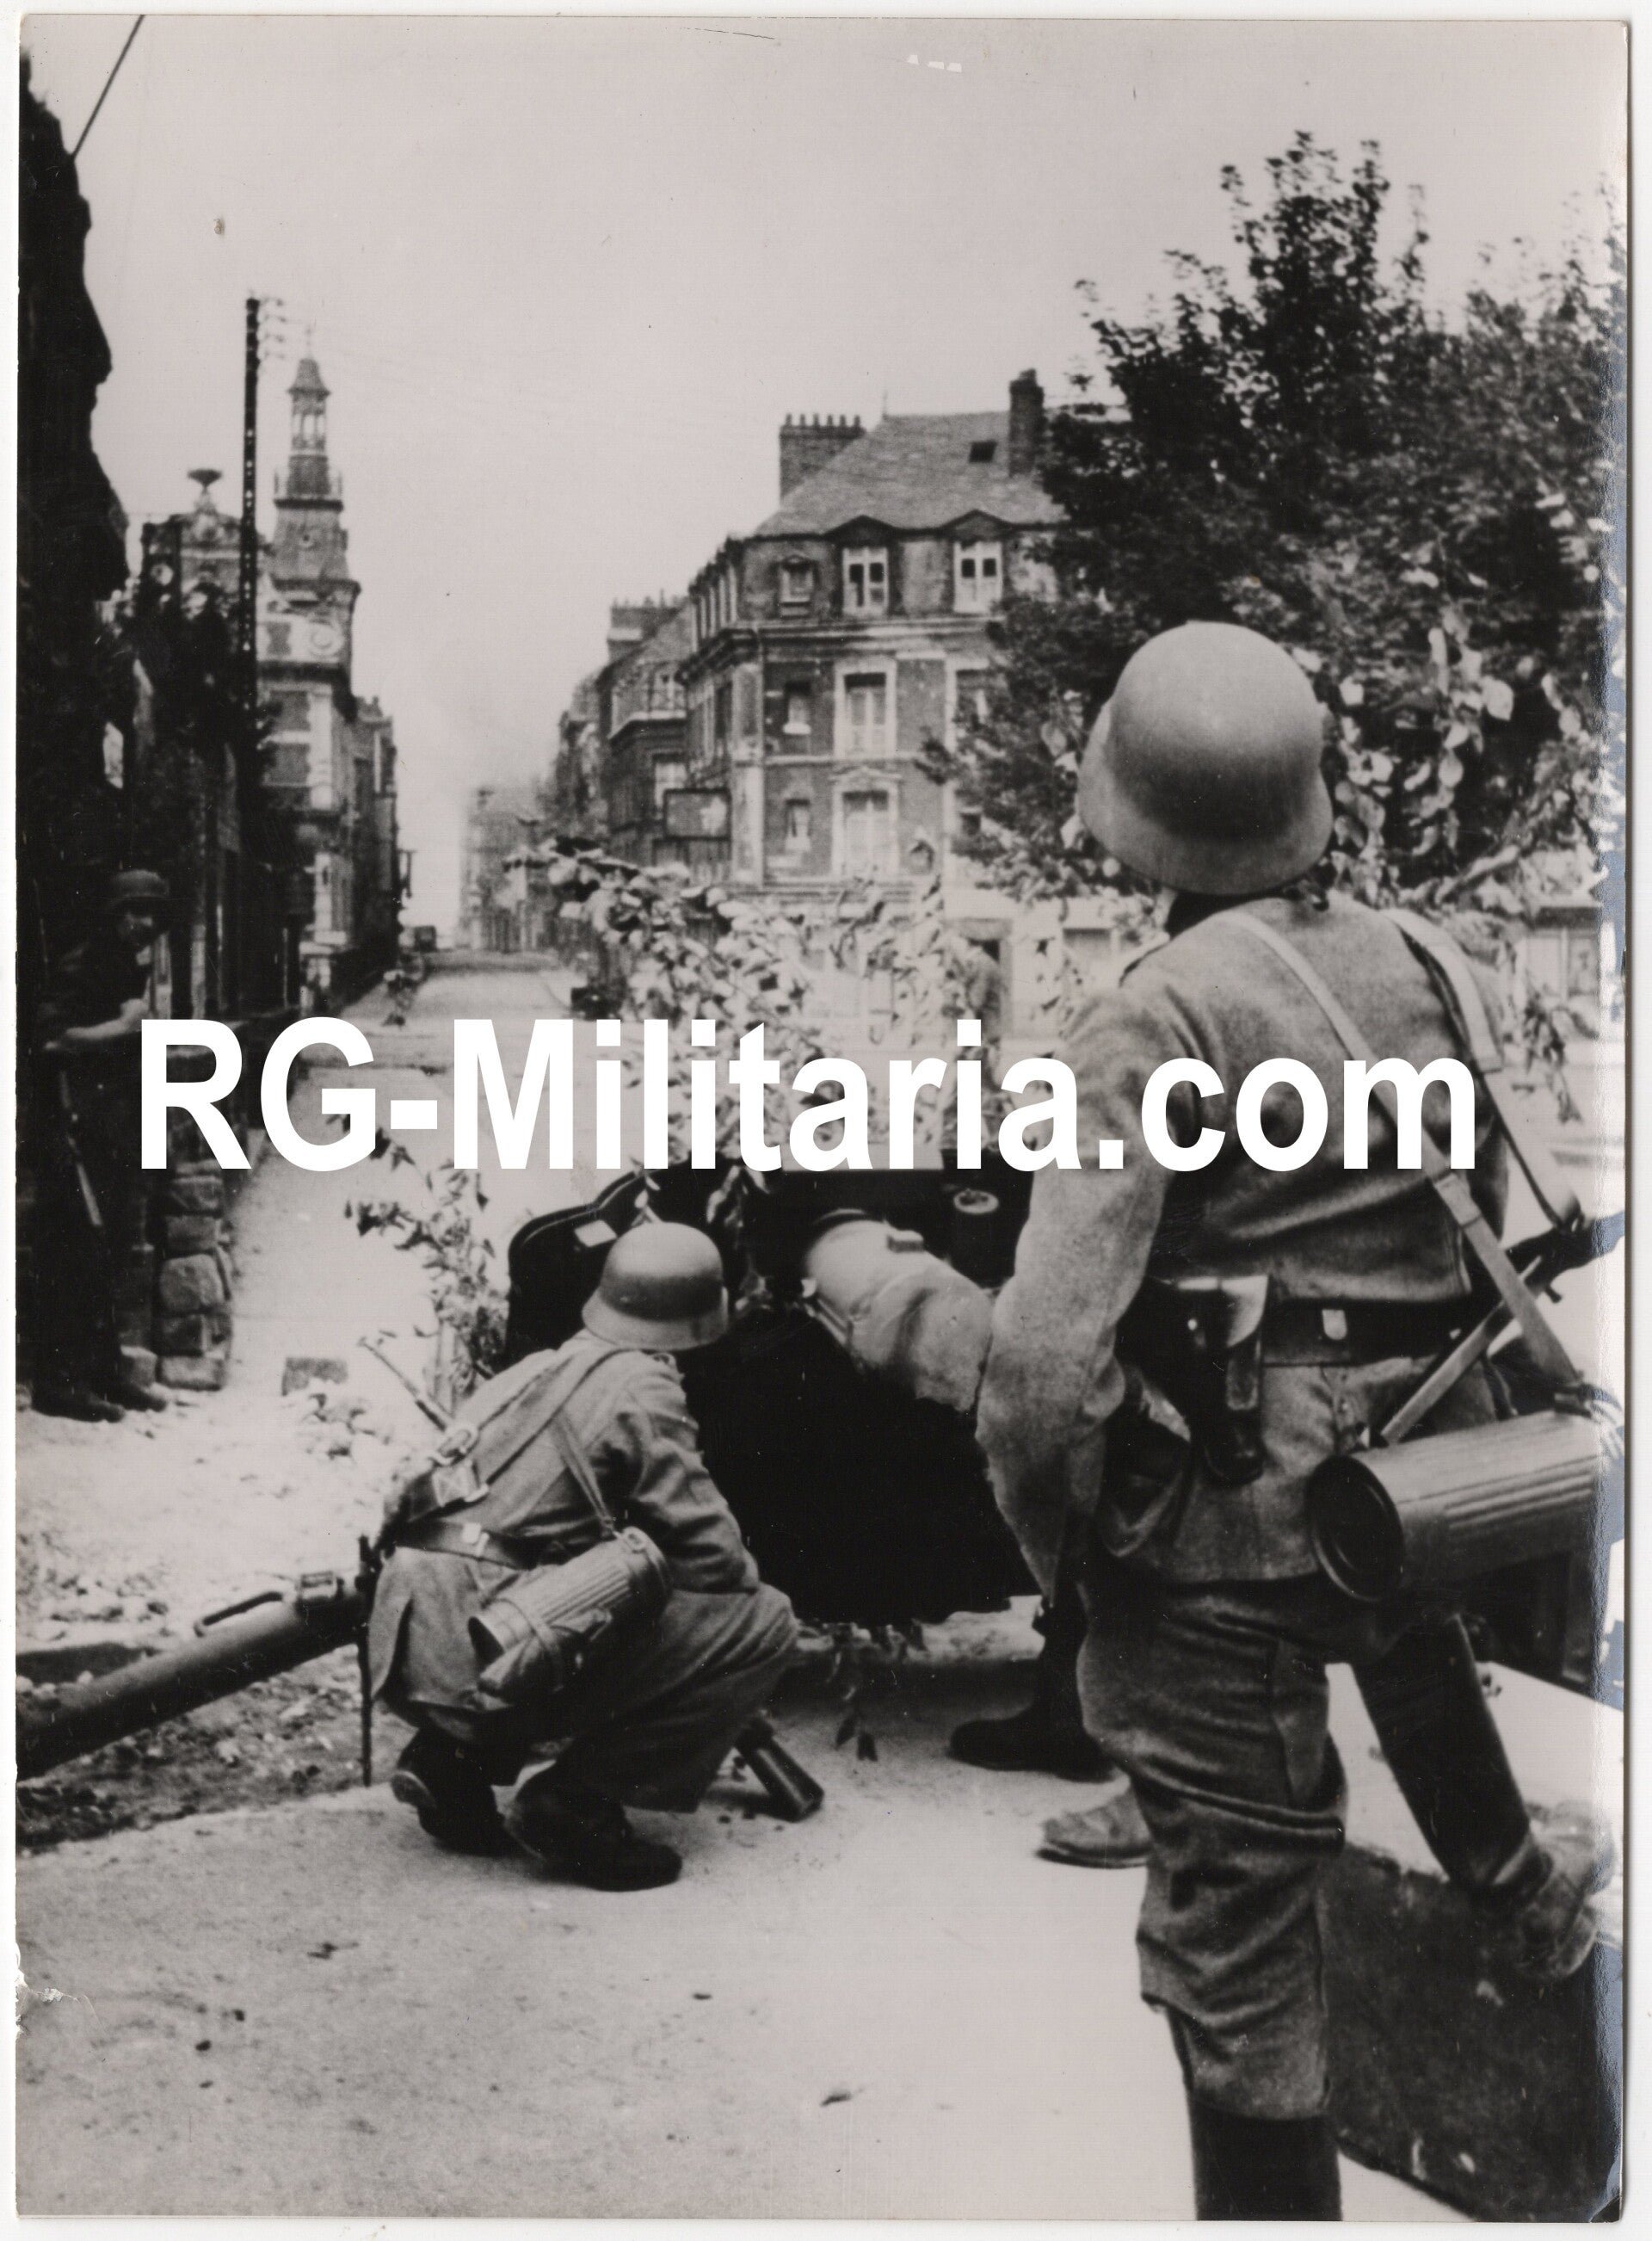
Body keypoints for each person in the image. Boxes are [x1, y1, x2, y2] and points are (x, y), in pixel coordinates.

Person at [974, 622, 1612, 2219]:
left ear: (1129, 808)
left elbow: (1041, 1370)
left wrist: (1070, 1557)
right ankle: (1538, 1930)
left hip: (1227, 1533)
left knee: (1234, 1956)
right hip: (1417, 1493)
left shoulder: (1150, 1018)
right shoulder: (1435, 958)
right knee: (1432, 1732)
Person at [371, 1222, 799, 1892]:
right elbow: (716, 1559)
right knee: (763, 1620)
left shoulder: (538, 1368)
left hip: (411, 1640)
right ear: (700, 1315)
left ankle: (450, 1760)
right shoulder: (643, 1387)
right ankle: (574, 1804)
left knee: (580, 1581)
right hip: (484, 1648)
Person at [31, 867, 173, 1422]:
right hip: (68, 1127)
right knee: (71, 1253)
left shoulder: (125, 965)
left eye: (153, 915)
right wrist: (122, 1028)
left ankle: (106, 1373)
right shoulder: (80, 965)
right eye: (135, 912)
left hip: (109, 1126)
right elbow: (50, 1038)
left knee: (110, 1250)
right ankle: (58, 1385)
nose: (145, 924)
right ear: (114, 913)